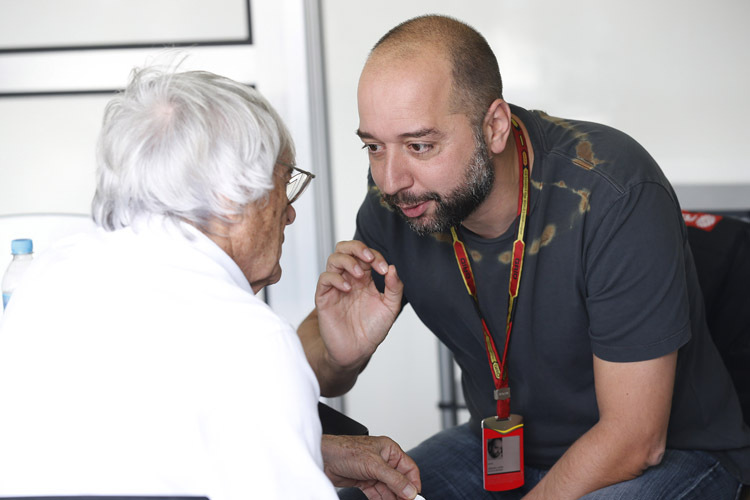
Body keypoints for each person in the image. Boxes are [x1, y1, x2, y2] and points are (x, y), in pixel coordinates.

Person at [298, 14, 750, 499]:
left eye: (420, 145)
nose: (390, 180)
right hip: (500, 451)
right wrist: (341, 356)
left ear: (494, 126)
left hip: (669, 457)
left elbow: (635, 440)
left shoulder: (612, 192)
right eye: (373, 147)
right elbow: (315, 371)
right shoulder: (403, 201)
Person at [0, 66, 420, 500]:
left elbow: (124, 446)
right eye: (283, 184)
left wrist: (315, 450)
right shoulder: (250, 340)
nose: (289, 213)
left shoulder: (46, 277)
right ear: (228, 196)